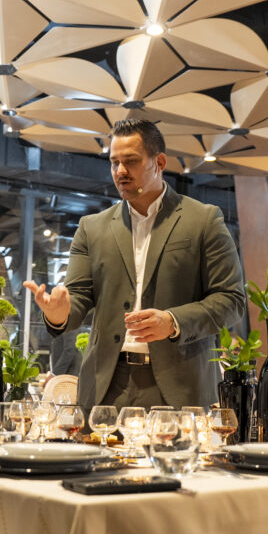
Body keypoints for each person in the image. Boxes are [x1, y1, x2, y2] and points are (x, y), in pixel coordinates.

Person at [23, 118, 245, 410]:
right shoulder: (92, 227)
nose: (121, 171)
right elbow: (78, 299)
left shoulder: (203, 220)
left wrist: (173, 321)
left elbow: (231, 300)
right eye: (114, 163)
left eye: (131, 161)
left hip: (180, 385)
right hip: (106, 385)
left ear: (159, 162)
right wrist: (58, 314)